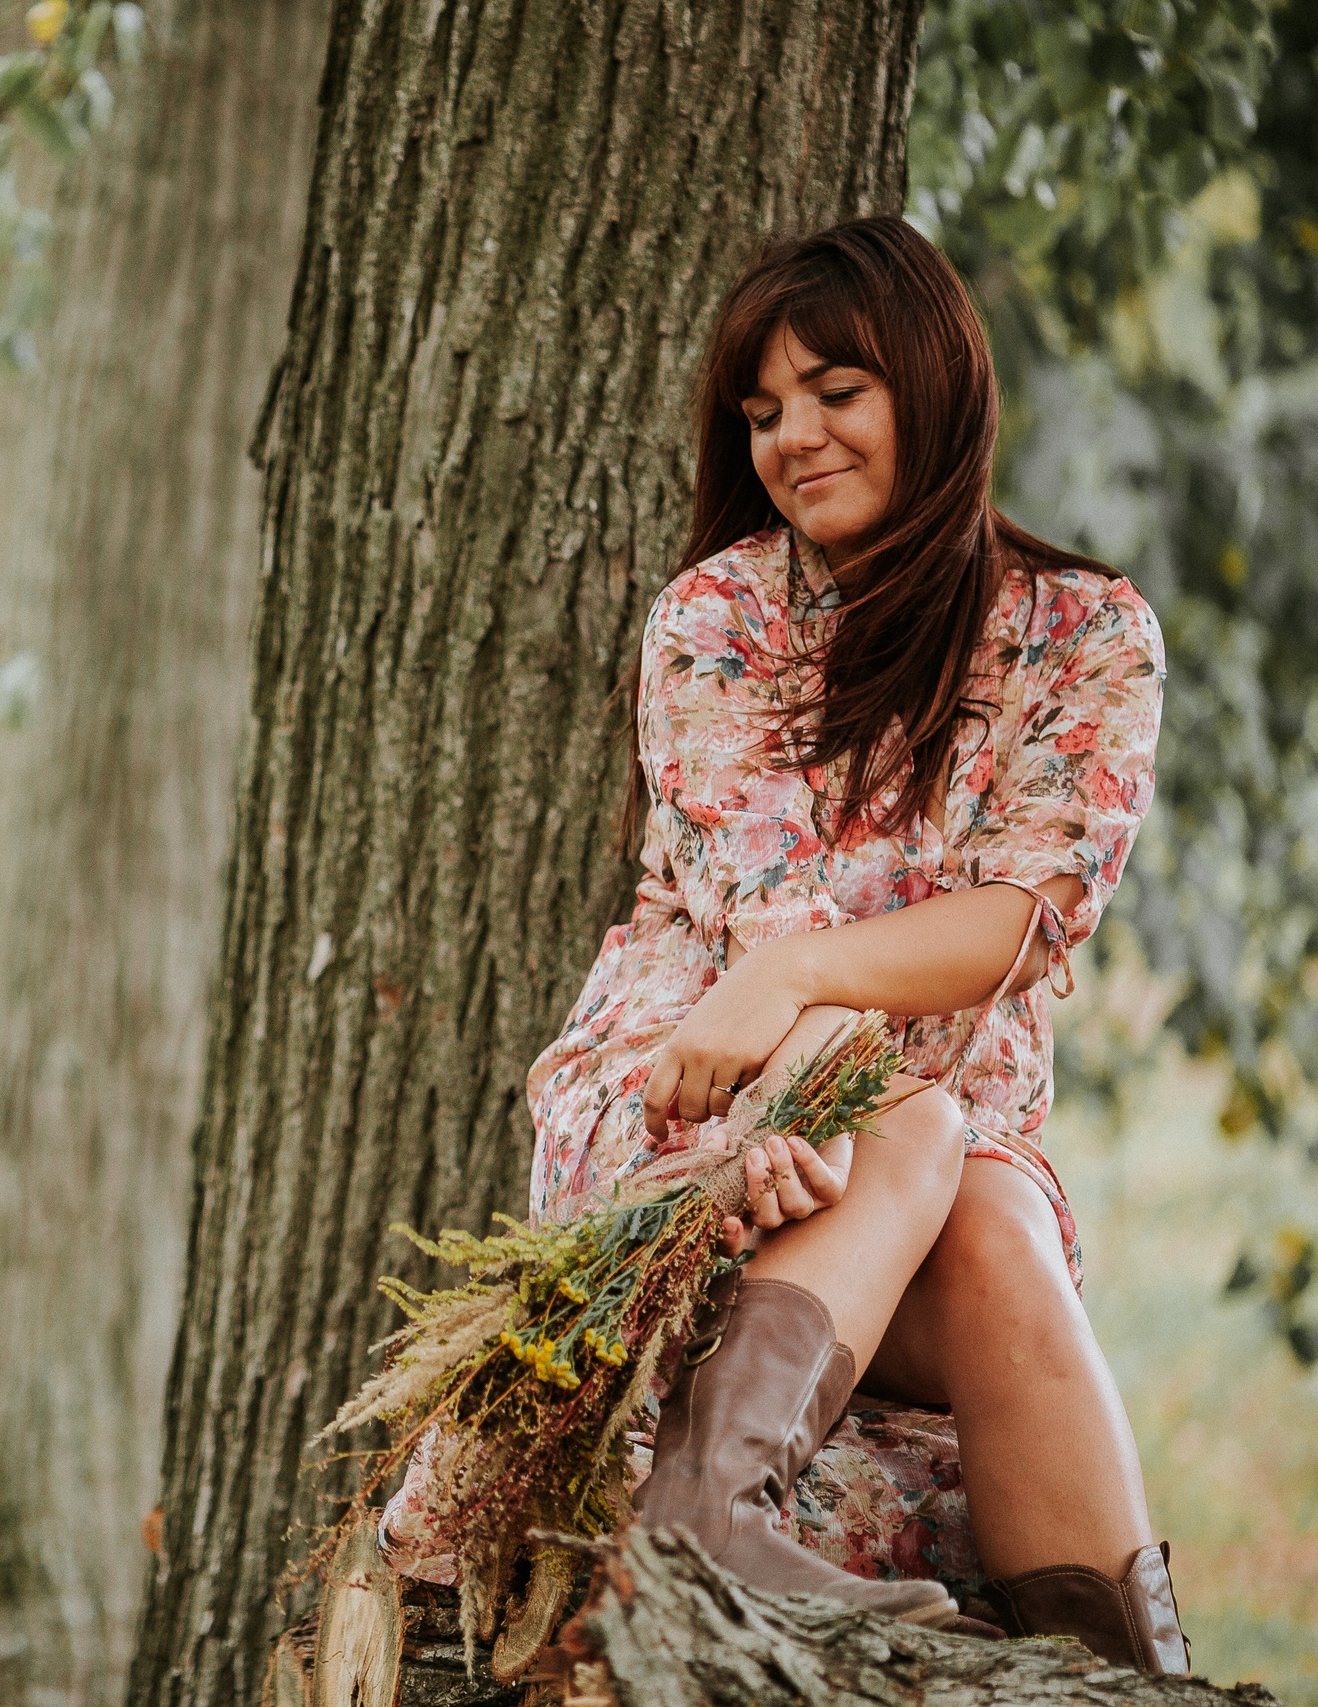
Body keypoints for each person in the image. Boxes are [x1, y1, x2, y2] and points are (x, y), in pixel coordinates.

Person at [523, 217, 1185, 1669]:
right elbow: (766, 930)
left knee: (999, 1221)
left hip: (937, 1152)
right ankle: (706, 1511)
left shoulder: (1087, 636)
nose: (790, 437)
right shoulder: (715, 619)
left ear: (932, 384)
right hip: (690, 1096)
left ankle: (1132, 1689)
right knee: (924, 1128)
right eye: (762, 412)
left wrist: (802, 980)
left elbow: (1024, 917)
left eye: (834, 391)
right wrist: (784, 1013)